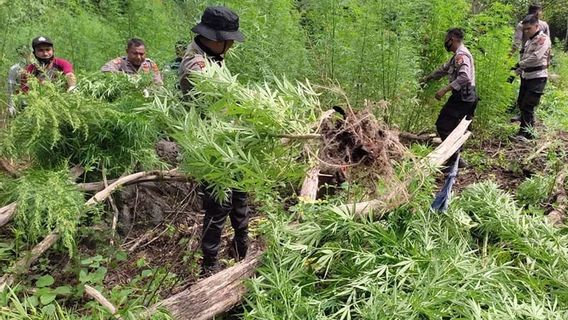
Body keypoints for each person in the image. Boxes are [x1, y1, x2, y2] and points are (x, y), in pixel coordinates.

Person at [178, 5, 247, 275]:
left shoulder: (214, 57)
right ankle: (210, 269)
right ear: (216, 38)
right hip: (211, 146)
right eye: (229, 40)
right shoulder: (195, 64)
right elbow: (214, 101)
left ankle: (243, 253)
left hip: (231, 141)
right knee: (219, 207)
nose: (231, 45)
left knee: (241, 200)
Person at [422, 28, 477, 168]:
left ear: (453, 39)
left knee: (443, 125)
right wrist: (427, 78)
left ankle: (455, 159)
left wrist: (444, 90)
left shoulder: (461, 55)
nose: (445, 42)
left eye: (447, 39)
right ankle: (456, 158)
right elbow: (444, 69)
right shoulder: (456, 56)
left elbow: (465, 77)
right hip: (465, 96)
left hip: (463, 97)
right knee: (453, 127)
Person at [511, 14, 551, 142]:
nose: (526, 32)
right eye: (524, 30)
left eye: (529, 28)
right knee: (521, 103)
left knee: (528, 105)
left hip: (537, 77)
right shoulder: (529, 41)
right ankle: (527, 131)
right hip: (526, 76)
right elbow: (524, 59)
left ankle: (525, 134)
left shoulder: (543, 39)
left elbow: (536, 57)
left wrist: (519, 64)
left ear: (537, 26)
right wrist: (515, 73)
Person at [6, 45, 33, 116]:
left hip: (36, 103)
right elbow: (10, 88)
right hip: (20, 104)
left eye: (28, 53)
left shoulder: (39, 68)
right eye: (22, 54)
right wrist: (11, 105)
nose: (26, 56)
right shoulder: (14, 69)